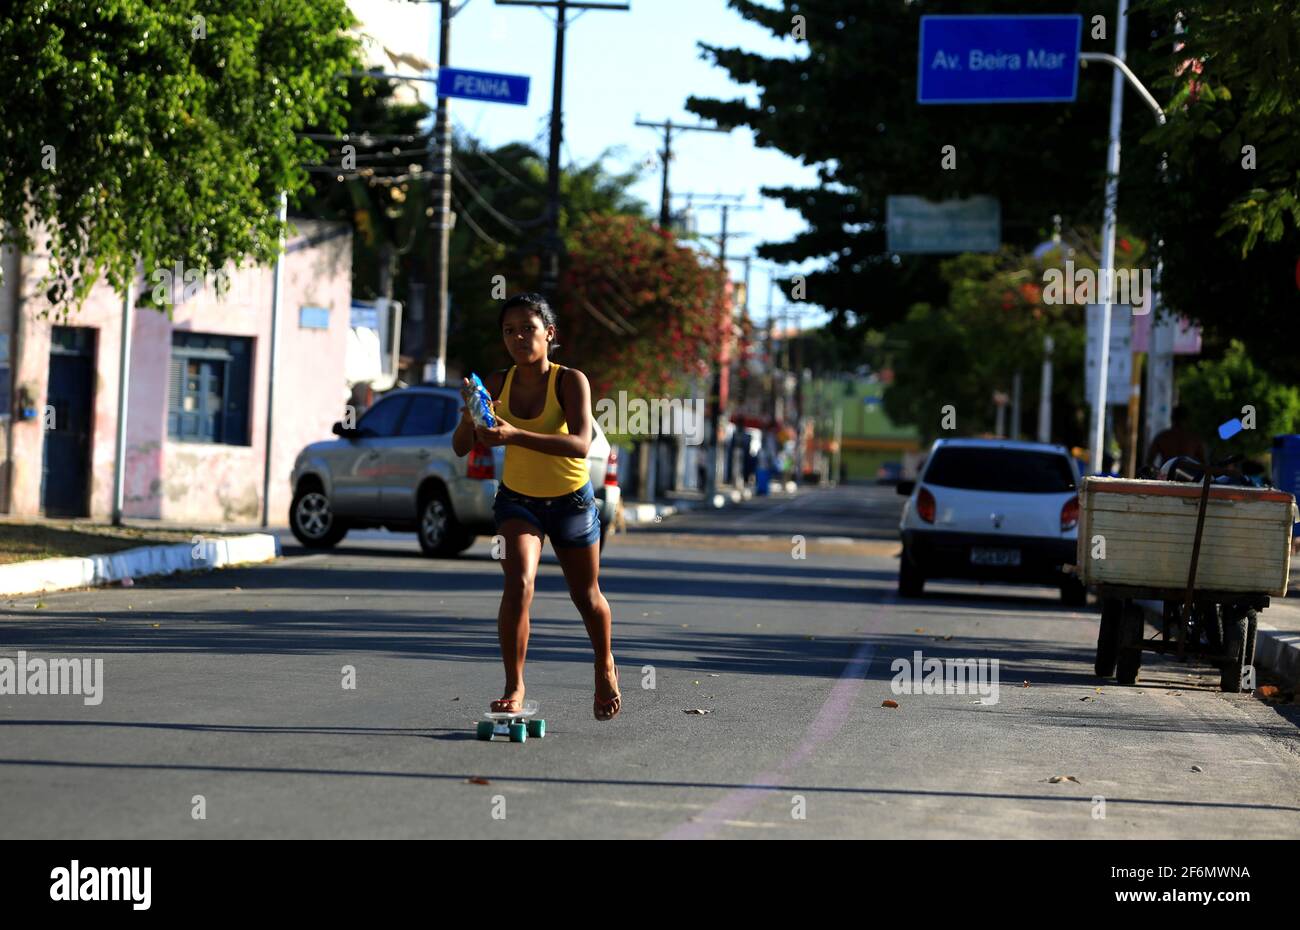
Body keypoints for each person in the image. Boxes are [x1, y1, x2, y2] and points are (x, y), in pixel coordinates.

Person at [452, 293, 621, 721]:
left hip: (572, 502)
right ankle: (514, 685)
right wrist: (470, 417)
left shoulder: (569, 381)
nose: (519, 338)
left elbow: (581, 445)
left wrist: (515, 436)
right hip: (517, 503)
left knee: (586, 596)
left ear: (549, 333)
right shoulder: (495, 382)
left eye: (528, 328)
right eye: (509, 331)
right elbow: (459, 447)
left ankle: (604, 664)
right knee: (519, 584)